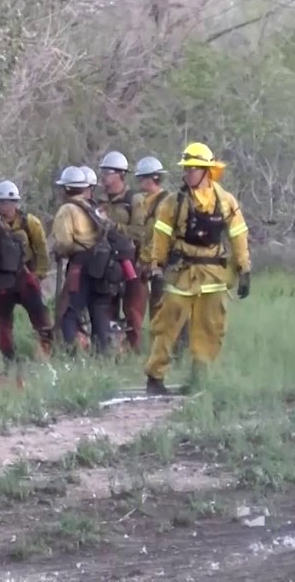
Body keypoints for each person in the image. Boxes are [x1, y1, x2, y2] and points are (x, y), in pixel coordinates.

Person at [143, 142, 250, 394]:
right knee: (166, 325)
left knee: (210, 327)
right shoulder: (173, 202)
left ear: (207, 171)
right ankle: (155, 378)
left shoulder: (225, 201)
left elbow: (238, 235)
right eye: (187, 168)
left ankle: (200, 380)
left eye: (194, 168)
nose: (188, 173)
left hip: (213, 274)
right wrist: (156, 265)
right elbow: (161, 236)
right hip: (181, 273)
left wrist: (244, 269)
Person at [50, 166, 114, 355]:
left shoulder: (67, 210)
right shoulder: (92, 207)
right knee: (99, 310)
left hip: (80, 263)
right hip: (102, 263)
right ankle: (103, 356)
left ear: (66, 189)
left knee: (70, 311)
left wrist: (58, 251)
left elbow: (64, 242)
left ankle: (70, 355)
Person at [0, 181, 54, 359]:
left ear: (16, 203)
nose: (5, 206)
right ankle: (7, 356)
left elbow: (41, 250)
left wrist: (39, 274)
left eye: (9, 202)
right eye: (1, 202)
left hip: (26, 276)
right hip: (3, 278)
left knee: (40, 317)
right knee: (4, 321)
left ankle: (45, 352)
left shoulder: (30, 222)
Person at [134, 155, 189, 356]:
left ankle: (174, 352)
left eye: (142, 178)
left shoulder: (164, 204)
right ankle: (166, 351)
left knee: (166, 310)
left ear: (153, 179)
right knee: (159, 310)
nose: (140, 182)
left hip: (166, 266)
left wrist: (146, 260)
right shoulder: (148, 203)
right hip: (161, 265)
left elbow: (159, 237)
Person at [97, 151, 146, 352]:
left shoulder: (133, 200)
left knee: (133, 307)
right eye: (103, 173)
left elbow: (139, 231)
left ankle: (133, 350)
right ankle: (110, 349)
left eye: (108, 173)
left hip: (131, 262)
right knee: (106, 306)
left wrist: (112, 226)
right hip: (106, 263)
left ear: (120, 175)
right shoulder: (100, 200)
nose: (104, 178)